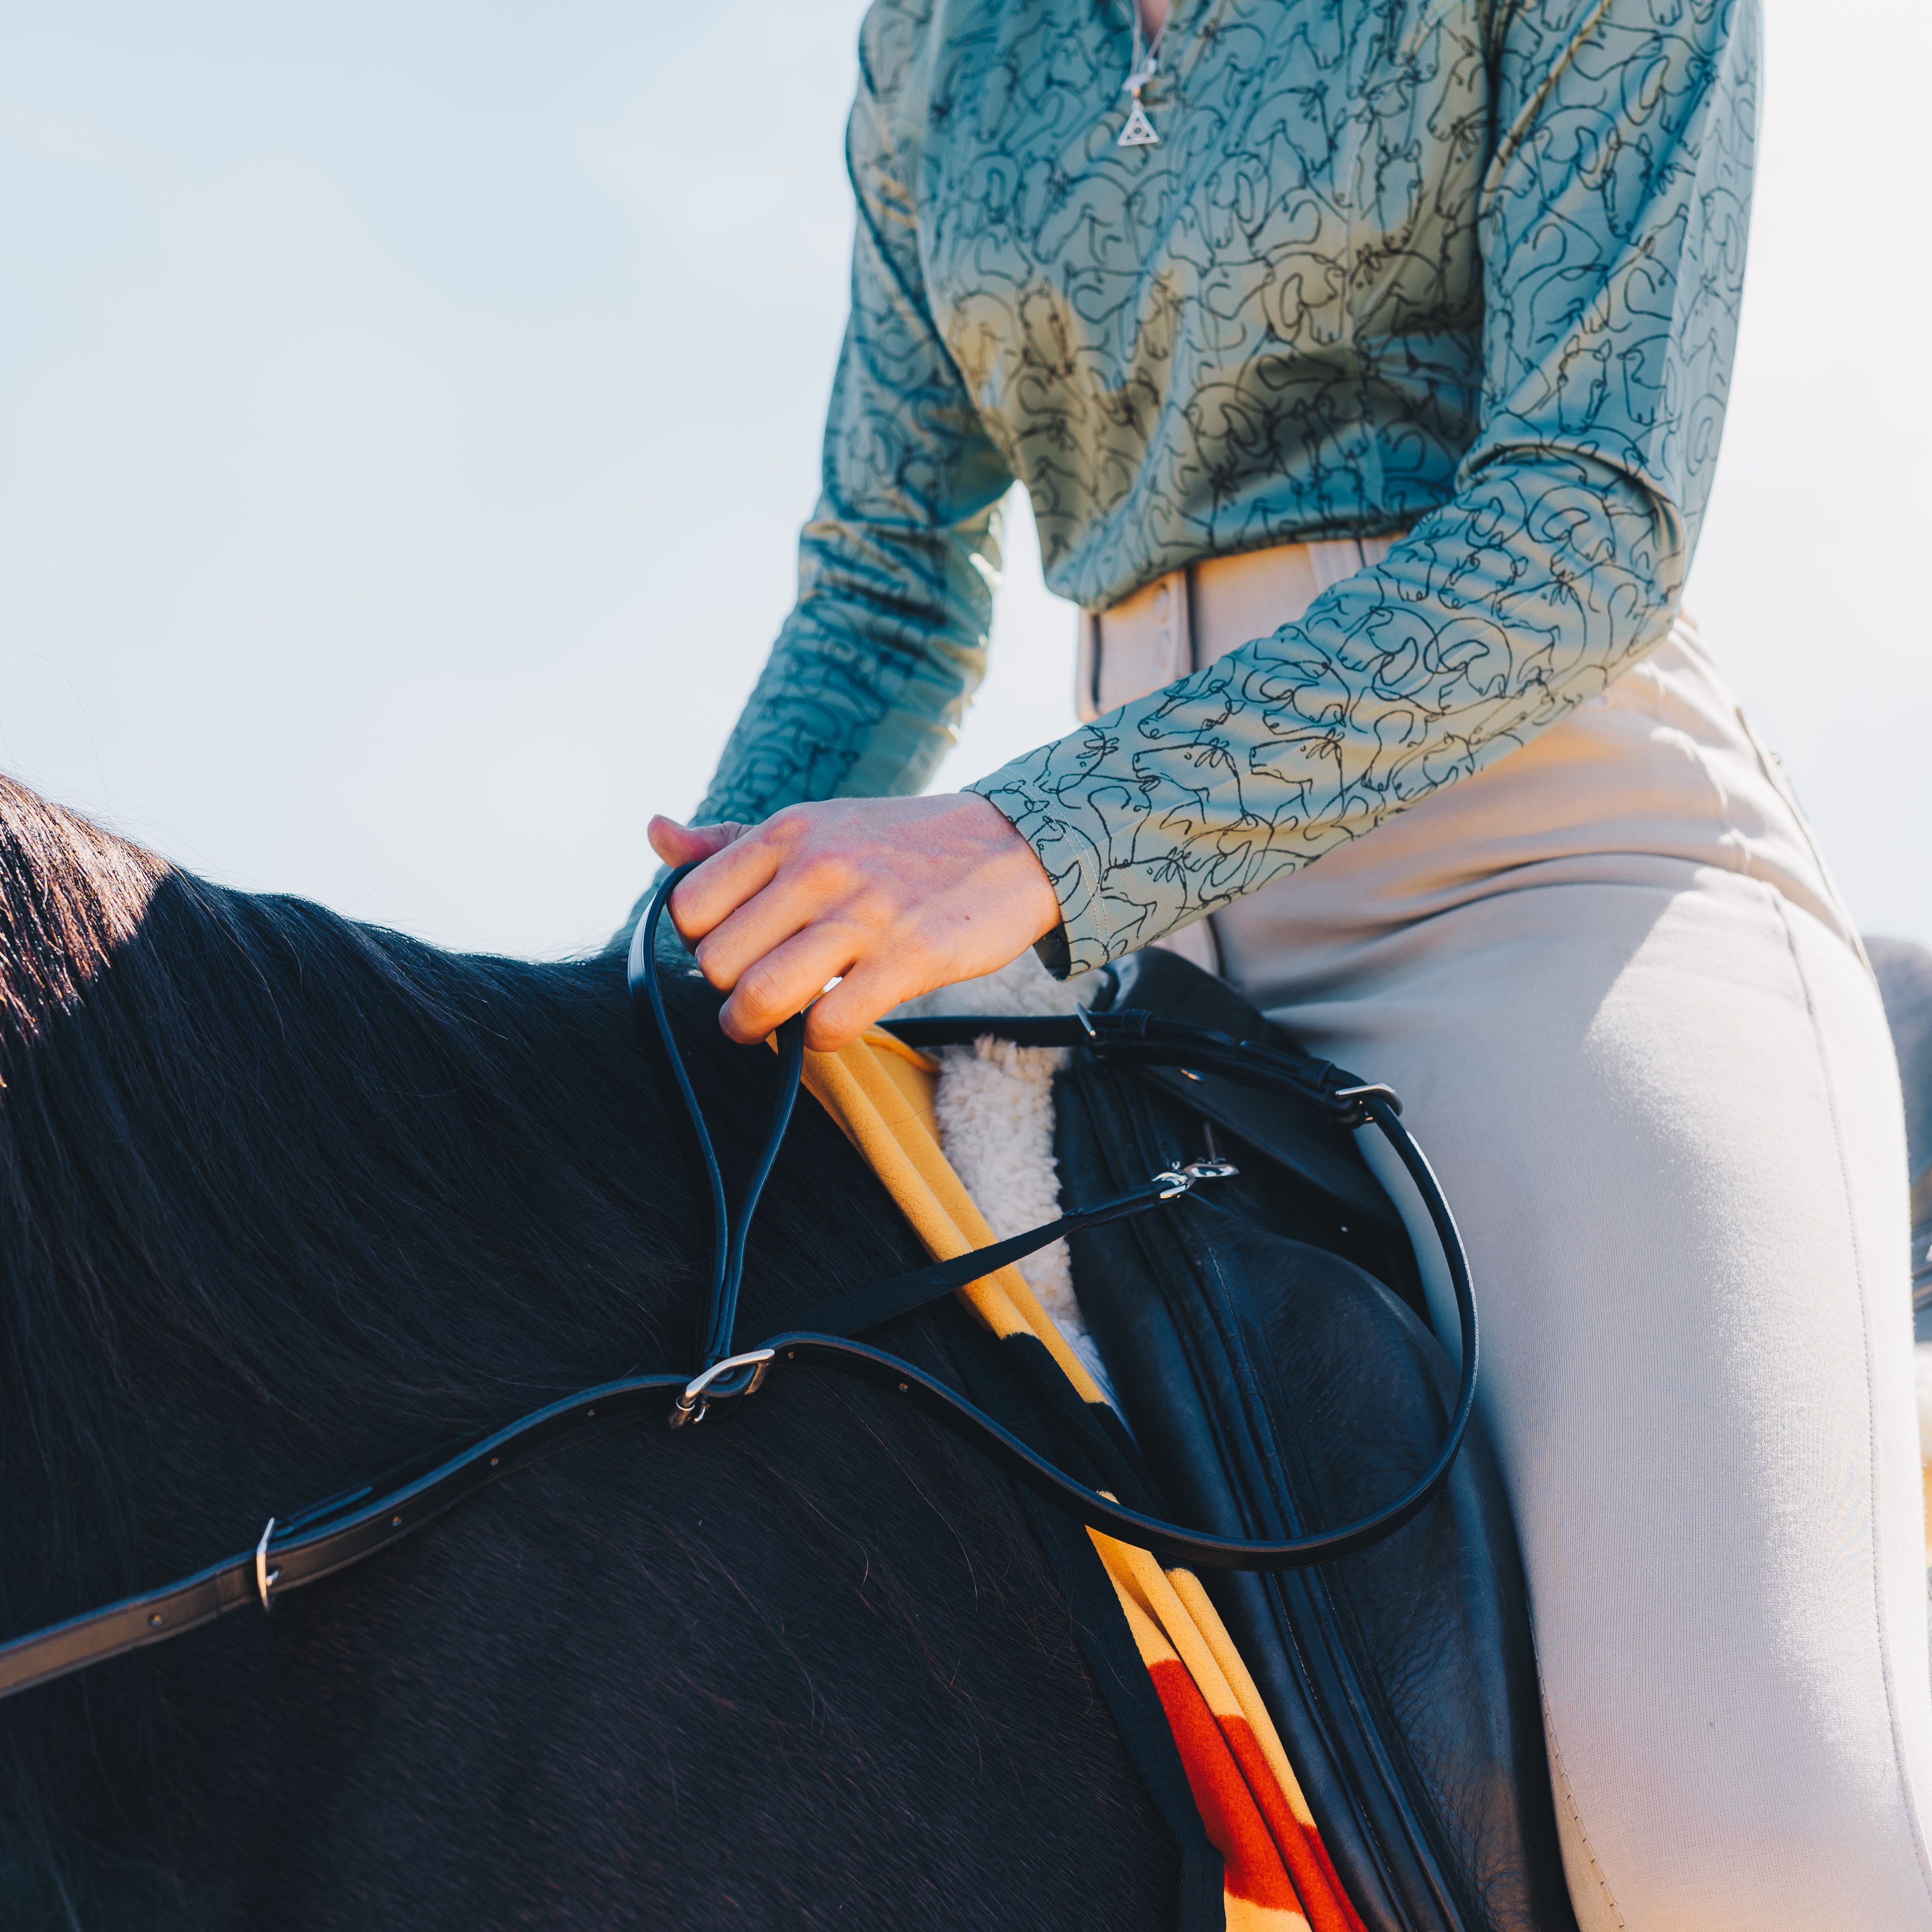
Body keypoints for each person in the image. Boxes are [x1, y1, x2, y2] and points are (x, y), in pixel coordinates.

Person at [642, 1, 1932, 1923]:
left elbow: (1585, 522)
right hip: (1127, 963)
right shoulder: (936, 38)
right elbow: (885, 594)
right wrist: (661, 997)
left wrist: (1021, 842)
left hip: (1549, 884)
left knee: (1743, 1830)